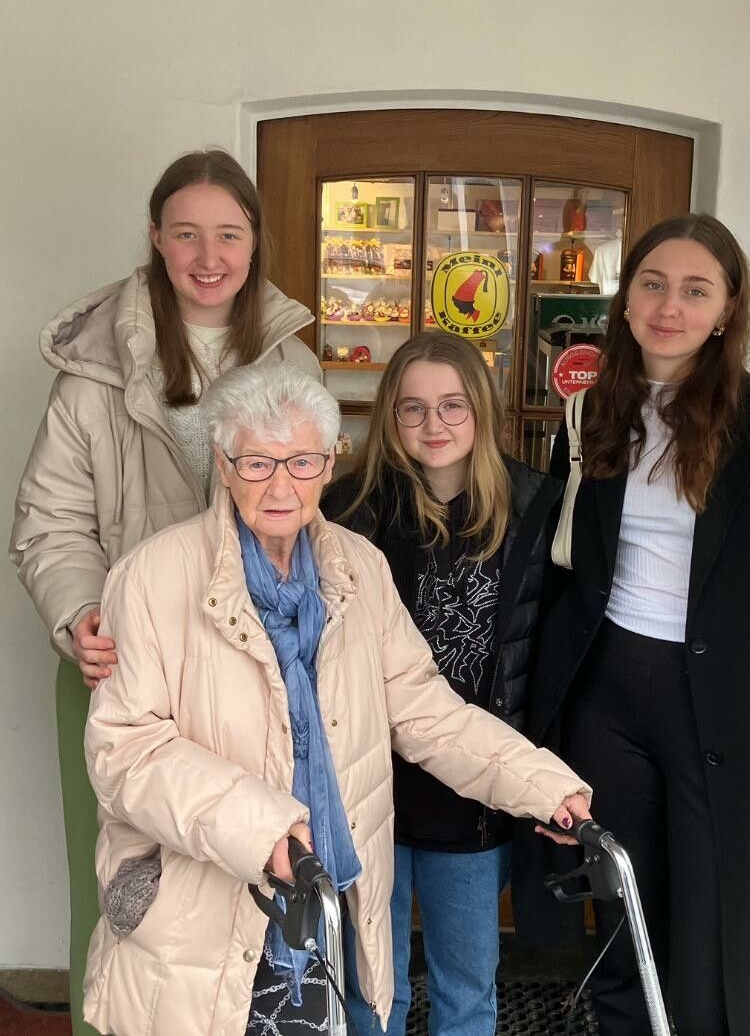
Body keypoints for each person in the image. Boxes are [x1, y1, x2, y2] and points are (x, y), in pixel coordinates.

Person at [81, 361, 591, 1036]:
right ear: (224, 466)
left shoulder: (357, 567)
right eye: (258, 462)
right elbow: (126, 753)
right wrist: (261, 829)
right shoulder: (151, 577)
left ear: (328, 464)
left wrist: (541, 784)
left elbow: (423, 709)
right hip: (203, 908)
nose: (282, 484)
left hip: (327, 895)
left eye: (301, 461)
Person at [8, 149, 319, 1036]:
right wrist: (78, 611)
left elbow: (310, 514)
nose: (208, 254)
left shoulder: (288, 356)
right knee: (125, 895)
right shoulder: (94, 370)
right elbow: (51, 518)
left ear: (254, 243)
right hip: (124, 670)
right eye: (186, 233)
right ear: (155, 237)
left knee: (236, 898)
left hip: (250, 673)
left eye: (228, 233)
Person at [528, 214, 750, 1036]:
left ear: (726, 311)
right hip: (608, 690)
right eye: (653, 284)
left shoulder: (746, 421)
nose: (669, 306)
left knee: (707, 914)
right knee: (622, 905)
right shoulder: (592, 412)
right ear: (626, 302)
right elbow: (565, 557)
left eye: (697, 290)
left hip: (712, 699)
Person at [321, 331, 565, 1036]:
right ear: (389, 418)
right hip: (371, 789)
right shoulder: (348, 509)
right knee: (373, 989)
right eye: (413, 408)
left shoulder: (536, 507)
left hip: (476, 797)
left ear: (484, 411)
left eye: (453, 405)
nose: (434, 425)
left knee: (467, 985)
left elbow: (545, 651)